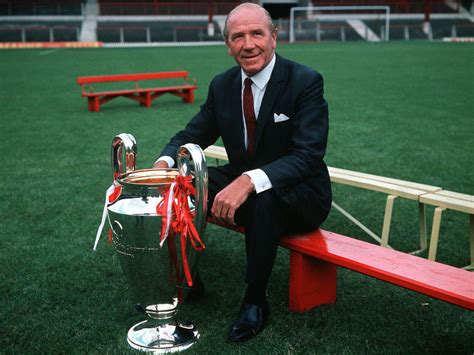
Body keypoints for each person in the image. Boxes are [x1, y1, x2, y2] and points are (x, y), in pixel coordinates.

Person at [154, 2, 332, 343]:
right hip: (244, 178)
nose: (248, 44)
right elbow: (190, 138)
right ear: (228, 45)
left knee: (264, 198)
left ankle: (255, 300)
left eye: (256, 34)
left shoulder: (305, 81)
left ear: (274, 38)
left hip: (302, 192)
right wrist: (163, 165)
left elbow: (308, 156)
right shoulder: (223, 85)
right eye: (238, 36)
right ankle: (188, 277)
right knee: (181, 184)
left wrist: (251, 180)